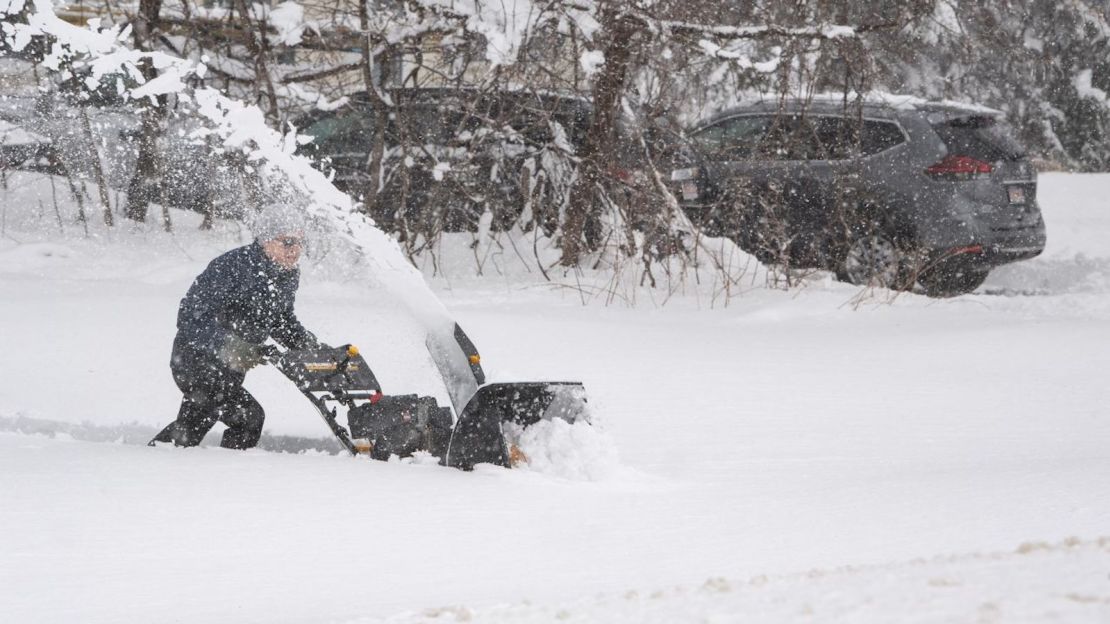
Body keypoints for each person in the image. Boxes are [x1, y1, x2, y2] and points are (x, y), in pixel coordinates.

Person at [150, 204, 324, 449]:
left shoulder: (287, 275)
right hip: (196, 361)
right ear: (265, 240)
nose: (294, 250)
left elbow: (280, 319)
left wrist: (306, 344)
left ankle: (168, 462)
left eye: (299, 242)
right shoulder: (233, 267)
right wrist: (233, 346)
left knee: (198, 422)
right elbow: (191, 316)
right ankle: (221, 473)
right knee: (245, 417)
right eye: (287, 242)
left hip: (230, 369)